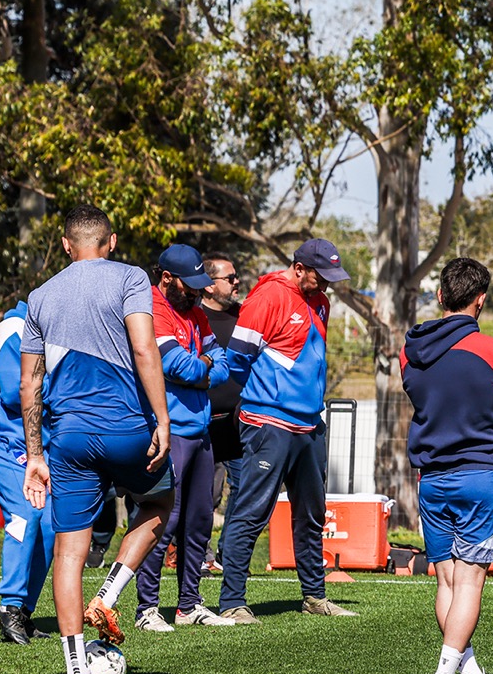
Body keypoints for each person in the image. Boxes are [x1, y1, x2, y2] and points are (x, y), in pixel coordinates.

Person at [18, 204, 175, 674]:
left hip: (67, 441)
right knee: (158, 504)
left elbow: (29, 383)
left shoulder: (40, 296)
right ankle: (108, 594)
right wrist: (163, 419)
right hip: (128, 431)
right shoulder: (130, 277)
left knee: (69, 551)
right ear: (110, 242)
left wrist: (35, 453)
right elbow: (146, 350)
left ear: (67, 245)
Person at [402, 257, 493, 674]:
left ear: (440, 296)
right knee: (471, 583)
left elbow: (416, 389)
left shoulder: (410, 349)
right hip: (482, 474)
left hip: (432, 476)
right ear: (481, 300)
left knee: (447, 581)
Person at [215, 238, 353, 623]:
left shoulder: (320, 303)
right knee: (251, 513)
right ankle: (231, 603)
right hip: (267, 424)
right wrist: (262, 399)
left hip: (309, 424)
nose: (325, 285)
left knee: (311, 513)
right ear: (298, 268)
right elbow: (238, 358)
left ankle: (314, 596)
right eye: (319, 276)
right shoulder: (268, 297)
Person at [133, 246, 237, 631]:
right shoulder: (153, 310)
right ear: (166, 279)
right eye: (188, 285)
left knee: (198, 522)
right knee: (162, 522)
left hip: (201, 431)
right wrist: (204, 367)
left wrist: (203, 367)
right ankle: (147, 609)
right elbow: (175, 365)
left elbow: (219, 364)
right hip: (169, 432)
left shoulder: (195, 313)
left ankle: (189, 604)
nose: (195, 293)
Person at [0, 302, 54, 644]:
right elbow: (16, 391)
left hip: (35, 445)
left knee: (51, 523)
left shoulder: (51, 334)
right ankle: (8, 605)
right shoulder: (13, 329)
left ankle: (23, 609)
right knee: (25, 512)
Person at [200, 252, 244, 573]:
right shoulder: (193, 318)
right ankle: (200, 556)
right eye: (229, 278)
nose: (236, 282)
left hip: (241, 422)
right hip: (202, 421)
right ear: (208, 286)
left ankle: (229, 553)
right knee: (205, 494)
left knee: (245, 489)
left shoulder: (246, 317)